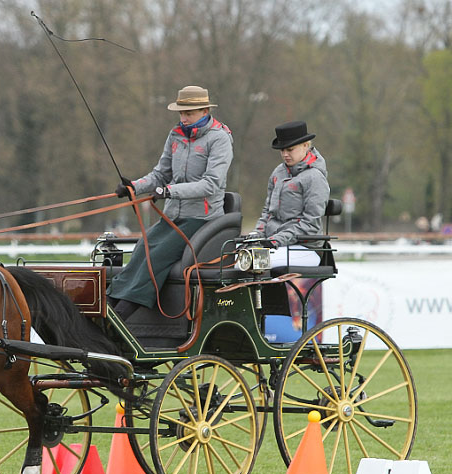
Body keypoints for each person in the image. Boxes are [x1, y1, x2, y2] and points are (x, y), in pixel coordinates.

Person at [108, 85, 234, 319]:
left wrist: (168, 191)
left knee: (156, 256)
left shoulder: (219, 139)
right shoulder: (175, 135)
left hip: (202, 218)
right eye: (181, 113)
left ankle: (121, 317)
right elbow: (160, 174)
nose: (184, 119)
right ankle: (108, 305)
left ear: (205, 110)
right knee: (140, 251)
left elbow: (211, 184)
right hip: (173, 215)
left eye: (189, 113)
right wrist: (134, 187)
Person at [248, 121, 330, 267]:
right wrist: (255, 235)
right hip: (276, 244)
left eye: (290, 149)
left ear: (306, 145)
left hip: (306, 247)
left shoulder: (315, 178)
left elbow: (310, 223)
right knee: (237, 259)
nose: (285, 154)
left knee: (254, 263)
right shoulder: (278, 173)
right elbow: (267, 213)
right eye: (282, 150)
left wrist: (276, 240)